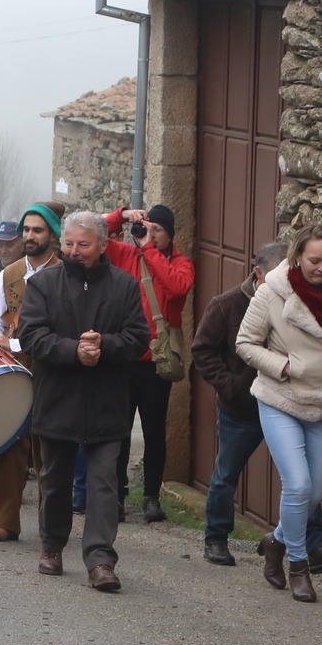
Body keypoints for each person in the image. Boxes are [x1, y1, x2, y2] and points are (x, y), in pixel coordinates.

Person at [235, 223, 322, 604]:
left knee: (311, 495)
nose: (321, 268)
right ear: (298, 256)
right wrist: (282, 367)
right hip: (281, 398)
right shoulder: (271, 294)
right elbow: (245, 343)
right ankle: (299, 565)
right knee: (296, 485)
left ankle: (275, 541)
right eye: (314, 260)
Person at [16, 211, 148, 591]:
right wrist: (75, 351)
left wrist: (104, 346)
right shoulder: (43, 284)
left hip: (107, 400)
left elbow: (139, 336)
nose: (74, 251)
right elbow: (32, 336)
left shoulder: (124, 285)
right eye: (69, 243)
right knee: (54, 480)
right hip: (57, 397)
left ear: (103, 246)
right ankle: (52, 546)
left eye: (83, 244)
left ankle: (101, 561)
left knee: (104, 482)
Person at [0, 204, 63, 541]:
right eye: (27, 230)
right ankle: (6, 521)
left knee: (48, 447)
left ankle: (50, 525)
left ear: (53, 235)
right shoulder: (9, 273)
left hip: (52, 369)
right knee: (7, 441)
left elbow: (62, 330)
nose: (30, 236)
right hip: (9, 367)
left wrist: (17, 345)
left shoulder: (65, 274)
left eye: (38, 230)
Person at [100, 204, 194, 524]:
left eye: (158, 231)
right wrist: (122, 216)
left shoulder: (180, 263)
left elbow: (177, 287)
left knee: (154, 432)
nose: (149, 235)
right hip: (124, 358)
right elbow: (94, 233)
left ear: (170, 236)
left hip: (157, 362)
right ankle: (117, 495)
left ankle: (152, 496)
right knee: (119, 430)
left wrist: (149, 249)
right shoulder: (126, 255)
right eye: (147, 228)